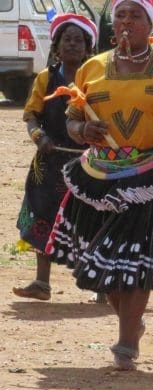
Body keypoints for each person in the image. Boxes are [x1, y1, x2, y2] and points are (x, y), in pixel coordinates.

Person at [48, 0, 153, 371]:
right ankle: (130, 321)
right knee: (104, 264)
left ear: (151, 24)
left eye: (135, 15)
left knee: (136, 260)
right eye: (120, 15)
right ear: (112, 24)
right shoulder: (92, 67)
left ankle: (126, 341)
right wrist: (83, 130)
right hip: (100, 175)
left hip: (152, 174)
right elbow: (71, 118)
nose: (126, 22)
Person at [12, 14, 96, 302]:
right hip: (49, 162)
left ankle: (100, 286)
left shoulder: (96, 78)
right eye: (66, 39)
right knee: (42, 215)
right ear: (57, 46)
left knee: (92, 219)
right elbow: (31, 117)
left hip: (89, 162)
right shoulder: (45, 78)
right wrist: (40, 138)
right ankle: (41, 282)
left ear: (88, 48)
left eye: (78, 40)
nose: (72, 44)